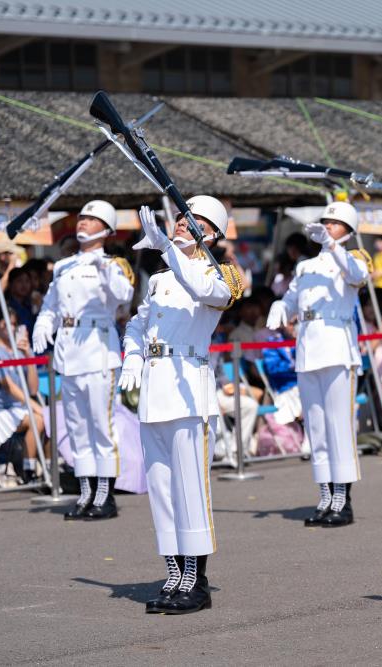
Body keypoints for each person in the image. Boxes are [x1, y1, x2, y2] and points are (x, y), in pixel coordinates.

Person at [120, 196, 243, 615]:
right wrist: (133, 358)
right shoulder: (159, 279)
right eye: (179, 220)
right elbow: (139, 323)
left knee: (190, 488)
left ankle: (197, 581)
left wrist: (170, 250)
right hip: (155, 390)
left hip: (190, 389)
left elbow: (204, 288)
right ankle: (174, 574)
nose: (180, 227)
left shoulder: (221, 274)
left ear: (210, 234)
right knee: (161, 488)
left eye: (191, 224)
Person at [266, 201, 371, 528]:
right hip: (309, 347)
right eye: (325, 222)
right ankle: (325, 495)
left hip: (338, 346)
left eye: (335, 223)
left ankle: (344, 499)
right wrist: (280, 306)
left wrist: (332, 245)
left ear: (348, 231)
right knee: (317, 427)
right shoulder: (304, 267)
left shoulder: (353, 257)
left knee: (339, 426)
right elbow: (293, 298)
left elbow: (357, 276)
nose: (327, 226)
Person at [33, 200, 135, 520]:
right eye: (82, 218)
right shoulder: (63, 266)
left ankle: (105, 494)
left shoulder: (114, 263)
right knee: (77, 427)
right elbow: (52, 305)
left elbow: (124, 295)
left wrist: (105, 269)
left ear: (105, 229)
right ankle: (86, 492)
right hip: (69, 352)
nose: (82, 223)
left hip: (98, 351)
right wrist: (42, 325)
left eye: (91, 219)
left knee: (100, 426)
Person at [0, 303, 45, 482]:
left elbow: (33, 388)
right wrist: (36, 407)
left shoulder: (20, 350)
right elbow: (8, 387)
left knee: (47, 419)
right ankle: (29, 471)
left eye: (14, 324)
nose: (11, 328)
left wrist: (28, 356)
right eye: (6, 324)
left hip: (19, 407)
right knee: (38, 419)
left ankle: (49, 468)